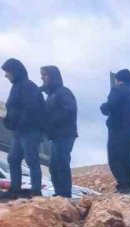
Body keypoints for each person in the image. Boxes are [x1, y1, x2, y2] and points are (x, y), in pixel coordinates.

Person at [1, 58, 45, 198]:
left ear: (15, 71)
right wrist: (8, 120)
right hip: (19, 131)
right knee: (13, 159)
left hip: (30, 131)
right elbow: (11, 108)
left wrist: (19, 121)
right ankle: (15, 189)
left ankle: (36, 190)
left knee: (31, 158)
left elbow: (32, 109)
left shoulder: (28, 86)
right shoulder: (16, 87)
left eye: (7, 72)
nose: (6, 75)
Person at [100, 69, 130, 194]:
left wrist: (103, 107)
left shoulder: (117, 90)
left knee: (115, 160)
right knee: (129, 163)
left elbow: (109, 106)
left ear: (118, 80)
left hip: (118, 133)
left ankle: (124, 187)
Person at [39, 66, 77, 199]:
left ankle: (65, 194)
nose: (42, 77)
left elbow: (69, 111)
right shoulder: (50, 95)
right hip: (55, 135)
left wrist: (52, 121)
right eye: (41, 75)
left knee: (61, 162)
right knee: (54, 166)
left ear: (53, 76)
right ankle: (59, 193)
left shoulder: (63, 92)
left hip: (65, 134)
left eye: (45, 74)